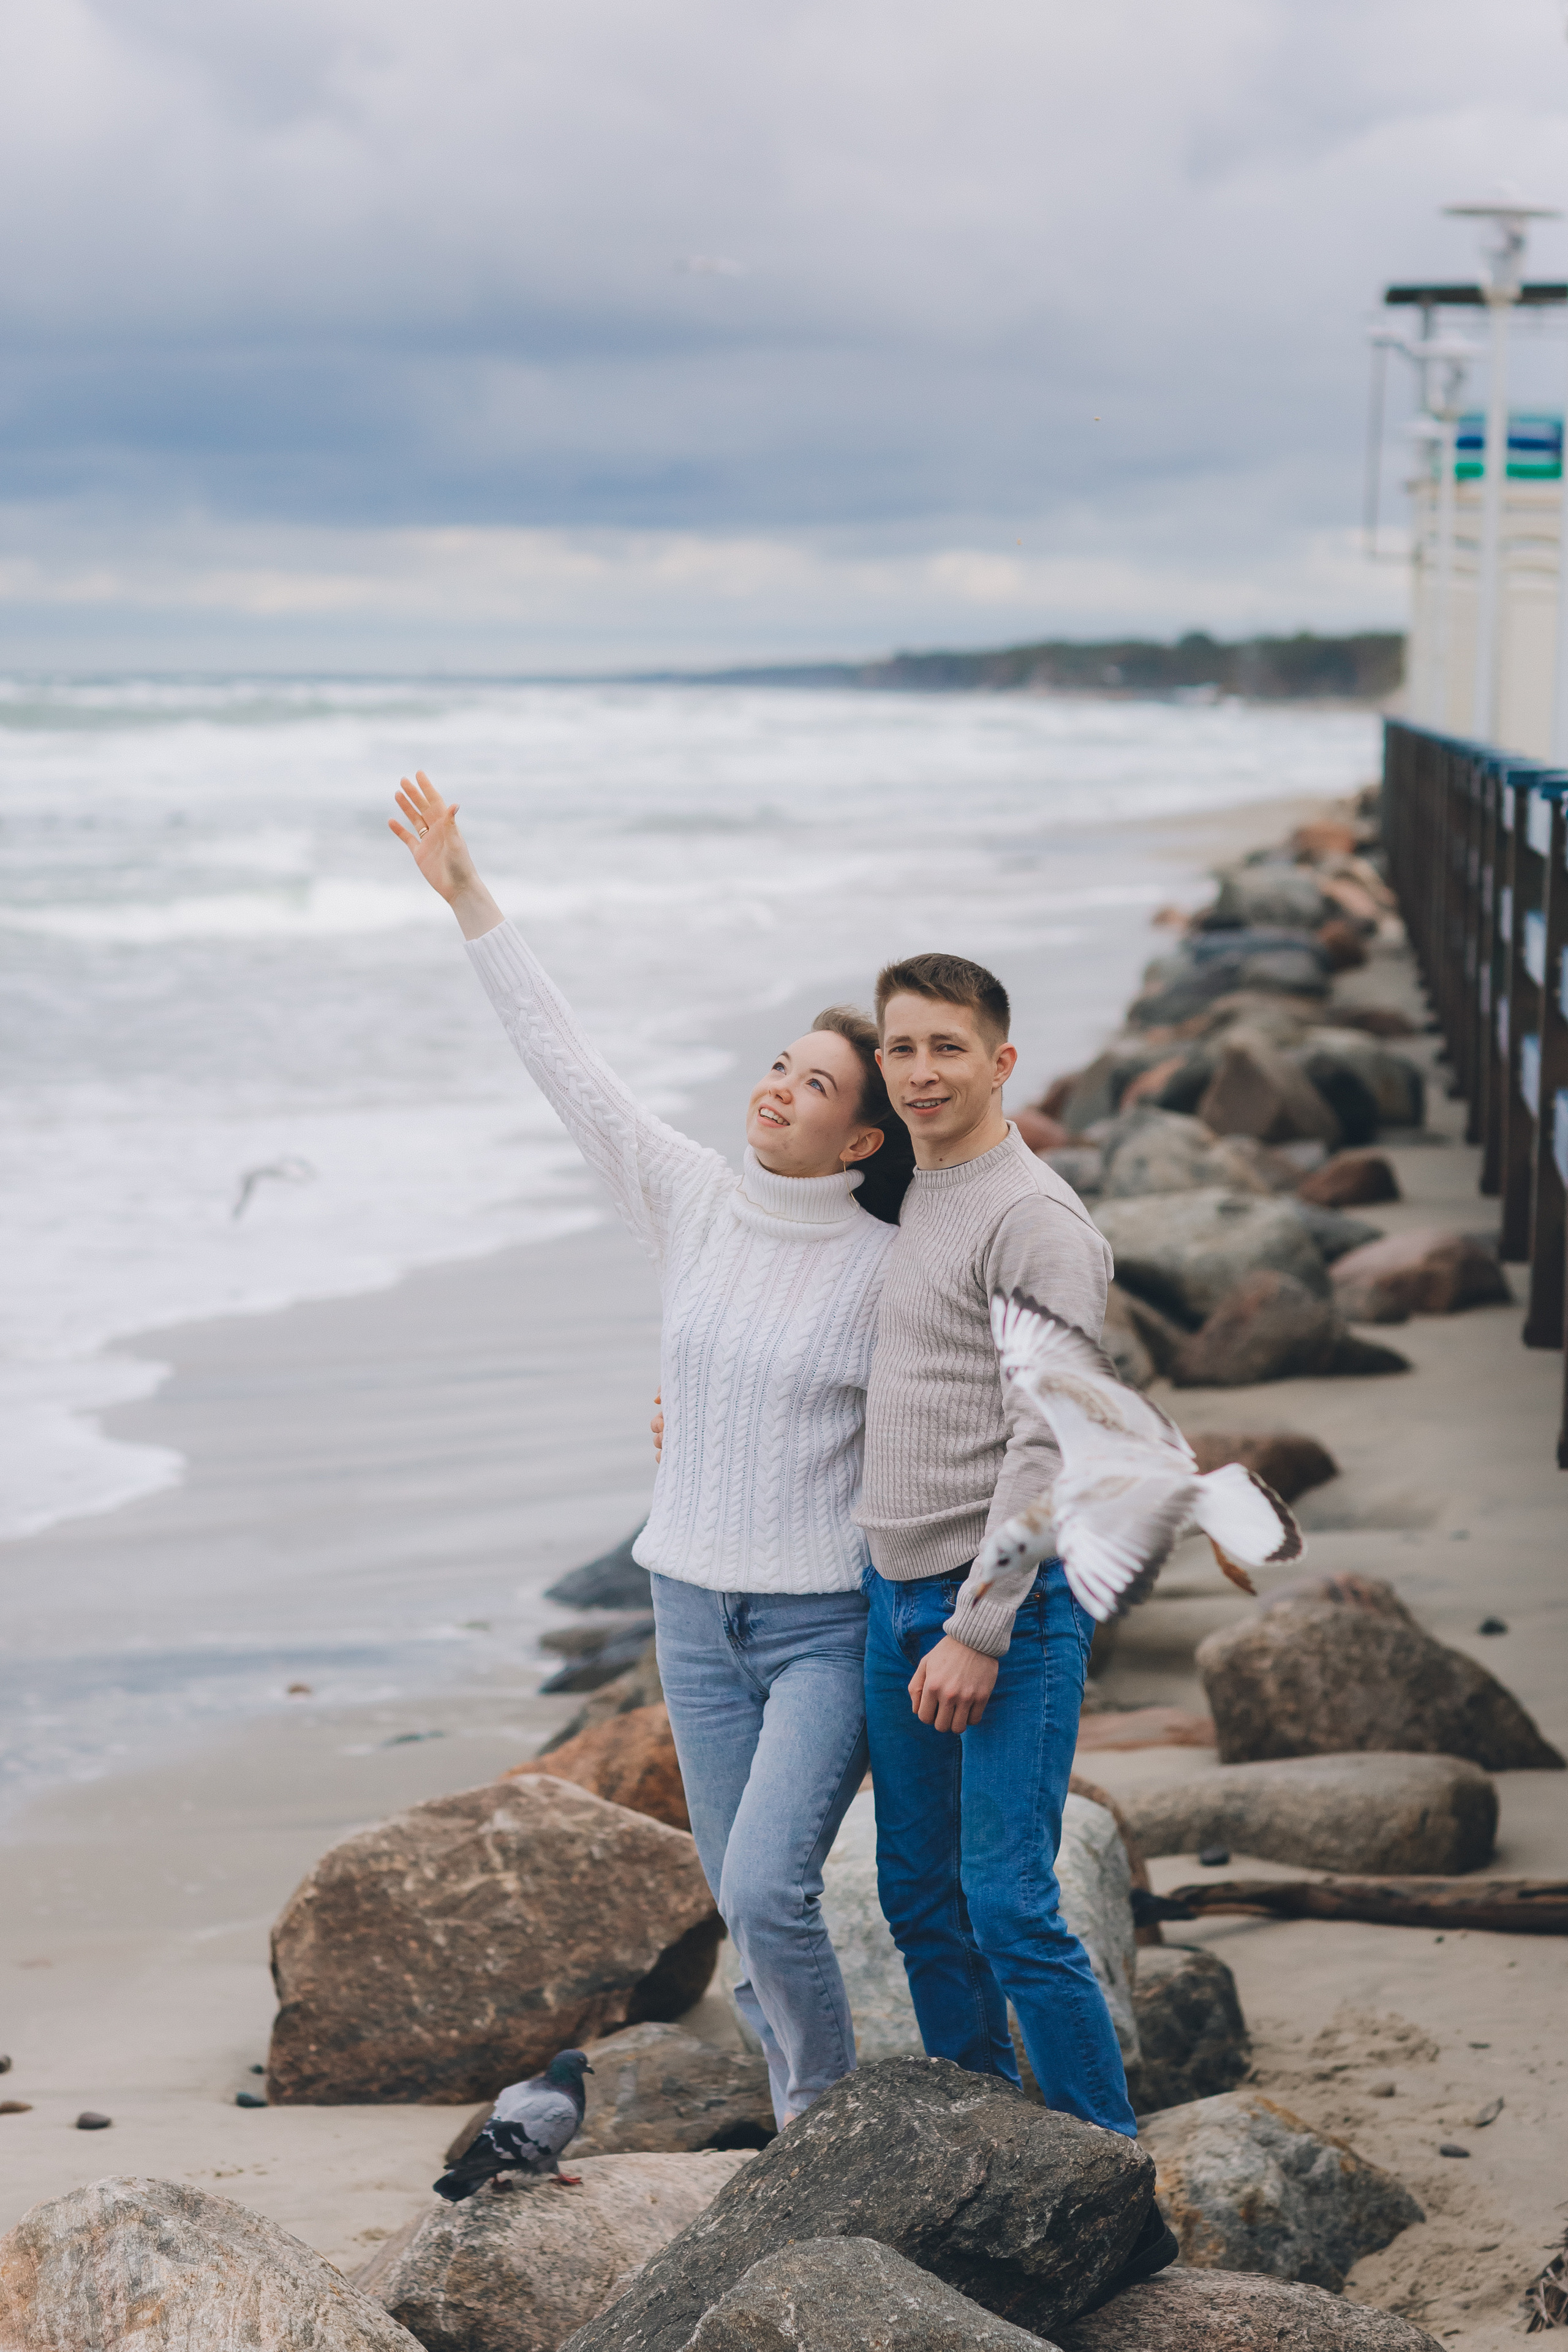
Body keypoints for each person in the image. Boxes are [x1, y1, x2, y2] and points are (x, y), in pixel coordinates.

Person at [389, 771, 914, 2127]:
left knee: (763, 1887)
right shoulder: (686, 1196)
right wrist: (467, 894)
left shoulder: (886, 1266)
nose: (778, 1091)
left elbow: (947, 1425)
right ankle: (811, 2110)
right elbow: (565, 1060)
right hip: (688, 1609)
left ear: (860, 1137)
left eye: (814, 1086)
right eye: (778, 1066)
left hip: (817, 1623)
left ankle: (823, 2119)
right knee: (738, 1896)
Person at [857, 948, 1177, 2290]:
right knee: (916, 1897)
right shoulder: (915, 1189)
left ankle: (1115, 2183)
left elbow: (1048, 1444)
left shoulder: (1034, 1219)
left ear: (1000, 1061)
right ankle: (978, 2145)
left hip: (1000, 1609)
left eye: (945, 1048)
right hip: (890, 1591)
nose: (917, 1073)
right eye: (897, 1049)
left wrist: (976, 1627)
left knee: (1007, 1904)